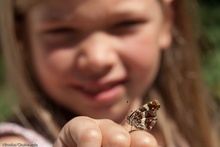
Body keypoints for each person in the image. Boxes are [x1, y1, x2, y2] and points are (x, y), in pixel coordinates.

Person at [0, 0, 219, 146]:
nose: (98, 59)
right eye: (61, 31)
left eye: (126, 23)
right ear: (22, 39)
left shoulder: (206, 131)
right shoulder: (16, 140)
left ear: (167, 22)